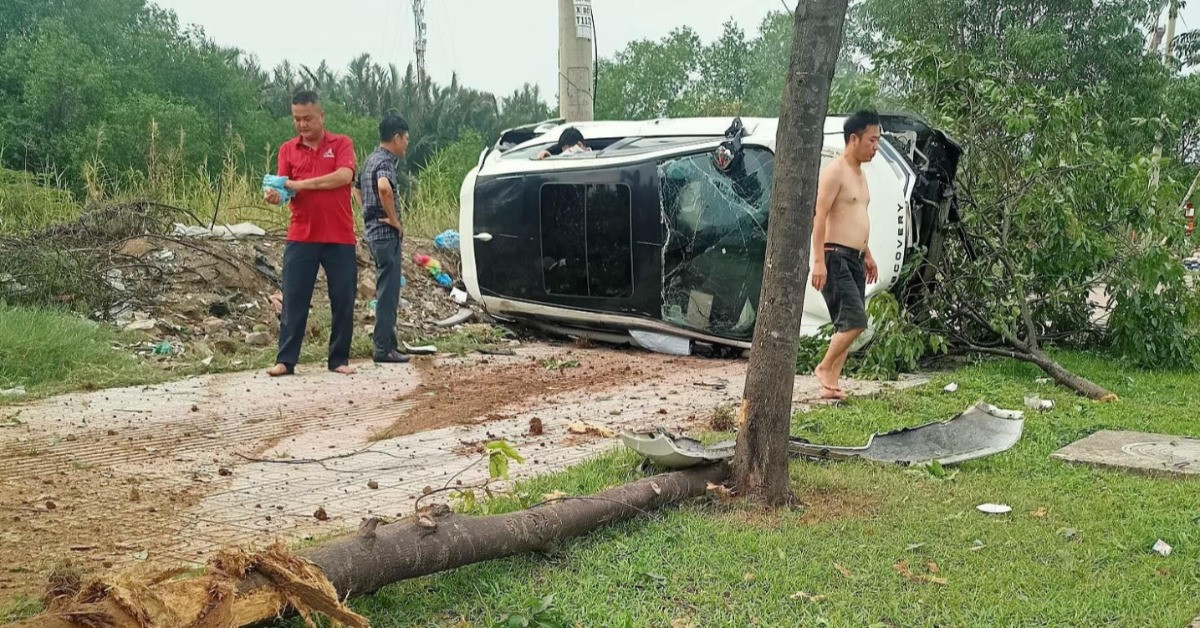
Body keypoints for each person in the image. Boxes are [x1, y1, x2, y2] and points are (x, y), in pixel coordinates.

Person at [264, 90, 359, 377]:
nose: (302, 124)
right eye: (297, 119)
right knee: (294, 298)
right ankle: (286, 360)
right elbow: (283, 190)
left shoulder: (341, 144)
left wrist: (299, 184)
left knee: (343, 298)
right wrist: (275, 196)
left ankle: (339, 359)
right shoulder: (287, 150)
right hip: (301, 235)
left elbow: (343, 176)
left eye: (307, 118)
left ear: (321, 116)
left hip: (339, 235)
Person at [810, 110, 882, 400]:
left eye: (877, 141)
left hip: (855, 256)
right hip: (834, 255)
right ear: (854, 138)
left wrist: (867, 253)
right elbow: (819, 216)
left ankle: (831, 384)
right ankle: (824, 366)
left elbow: (855, 217)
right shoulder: (835, 172)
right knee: (855, 320)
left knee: (846, 323)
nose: (875, 147)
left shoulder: (861, 175)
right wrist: (818, 261)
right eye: (871, 140)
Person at [358, 114, 411, 363]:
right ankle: (384, 348)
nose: (407, 144)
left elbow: (356, 188)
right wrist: (393, 219)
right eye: (406, 139)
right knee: (388, 293)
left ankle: (388, 345)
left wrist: (367, 212)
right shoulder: (385, 162)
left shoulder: (370, 159)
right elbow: (384, 187)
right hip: (386, 235)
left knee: (385, 289)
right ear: (396, 138)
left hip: (373, 232)